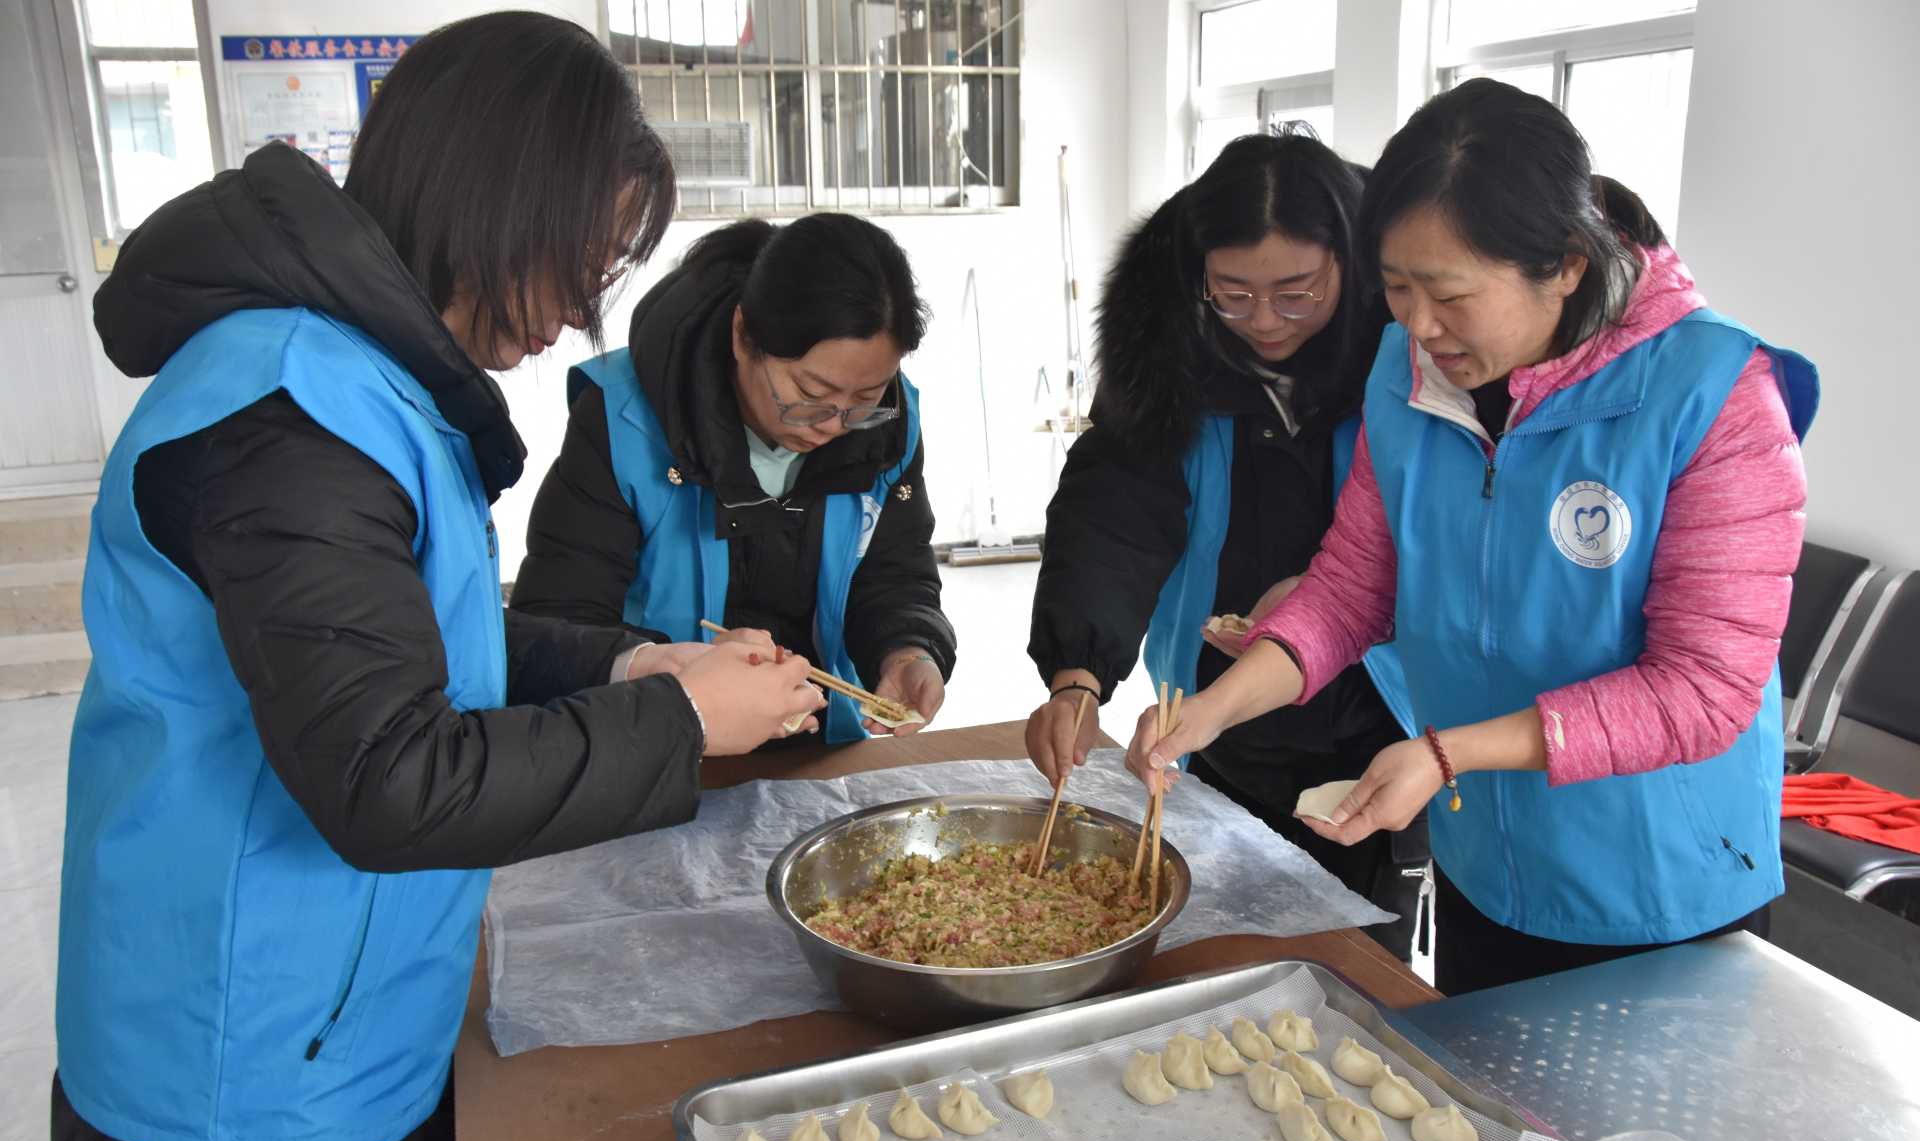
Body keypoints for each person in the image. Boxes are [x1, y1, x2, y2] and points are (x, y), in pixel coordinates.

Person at [54, 13, 822, 1141]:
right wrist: (681, 721)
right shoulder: (293, 414)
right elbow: (388, 775)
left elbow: (418, 639)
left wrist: (637, 662)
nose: (576, 312)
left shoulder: (369, 384)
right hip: (245, 1094)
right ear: (488, 201)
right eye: (574, 263)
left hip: (341, 1032)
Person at [1128, 80, 1816, 995]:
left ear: (1564, 265)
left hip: (1660, 885)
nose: (1417, 325)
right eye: (1396, 287)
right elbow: (1353, 587)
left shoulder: (1713, 394)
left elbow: (1704, 688)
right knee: (1485, 1089)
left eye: (1449, 294)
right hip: (1486, 859)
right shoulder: (1409, 369)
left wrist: (1451, 752)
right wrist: (1217, 707)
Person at [1026, 130, 1421, 956]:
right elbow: (1113, 515)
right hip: (1218, 711)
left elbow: (1443, 536)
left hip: (1382, 719)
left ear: (1350, 264)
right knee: (1222, 949)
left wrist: (1317, 599)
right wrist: (1079, 670)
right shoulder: (1167, 344)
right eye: (1233, 295)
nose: (1263, 321)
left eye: (1296, 294)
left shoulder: (1411, 346)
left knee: (1358, 964)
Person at [511, 214, 955, 743]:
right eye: (810, 395)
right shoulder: (622, 420)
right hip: (660, 743)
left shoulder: (887, 431)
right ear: (744, 336)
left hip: (817, 743)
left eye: (865, 399)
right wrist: (674, 674)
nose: (835, 425)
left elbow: (894, 573)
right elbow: (560, 620)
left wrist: (908, 648)